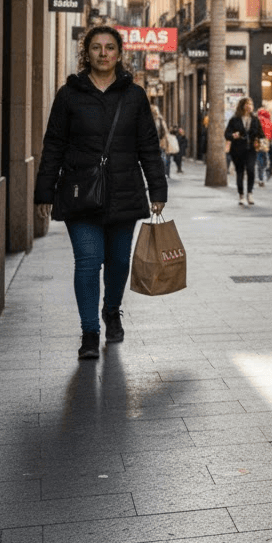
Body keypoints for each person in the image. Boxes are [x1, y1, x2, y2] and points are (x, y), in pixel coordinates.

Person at [33, 25, 167, 359]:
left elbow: (148, 146)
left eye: (109, 47)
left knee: (119, 261)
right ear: (87, 53)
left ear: (119, 54)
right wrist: (44, 191)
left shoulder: (134, 95)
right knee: (89, 262)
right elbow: (54, 145)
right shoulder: (70, 94)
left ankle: (112, 309)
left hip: (124, 190)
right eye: (96, 47)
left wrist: (158, 188)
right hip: (81, 192)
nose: (103, 53)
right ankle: (90, 332)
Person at [225, 96, 264, 206]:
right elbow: (226, 134)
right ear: (242, 106)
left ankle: (250, 193)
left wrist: (259, 138)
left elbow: (261, 134)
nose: (249, 106)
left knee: (251, 170)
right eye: (247, 104)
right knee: (240, 172)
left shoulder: (255, 119)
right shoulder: (234, 119)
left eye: (251, 104)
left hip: (251, 149)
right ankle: (241, 195)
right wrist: (234, 135)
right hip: (237, 149)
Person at [256, 105, 272, 186]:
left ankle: (260, 178)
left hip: (258, 142)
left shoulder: (257, 120)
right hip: (266, 142)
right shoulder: (269, 122)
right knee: (264, 158)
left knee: (259, 159)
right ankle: (263, 174)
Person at [151, 105, 172, 177]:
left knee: (159, 157)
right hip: (156, 142)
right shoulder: (158, 119)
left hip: (158, 142)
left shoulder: (159, 119)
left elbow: (165, 131)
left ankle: (161, 172)